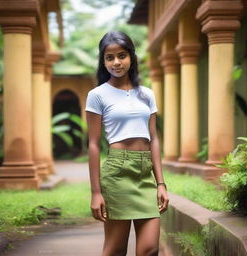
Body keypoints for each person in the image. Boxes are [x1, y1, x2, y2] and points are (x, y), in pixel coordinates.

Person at [85, 31, 169, 256]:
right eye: (109, 57)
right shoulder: (97, 95)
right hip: (117, 173)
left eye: (121, 55)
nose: (116, 62)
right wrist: (95, 192)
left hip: (145, 174)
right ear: (103, 62)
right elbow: (93, 144)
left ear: (131, 57)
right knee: (115, 250)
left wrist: (161, 183)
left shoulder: (146, 94)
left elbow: (154, 138)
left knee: (149, 249)